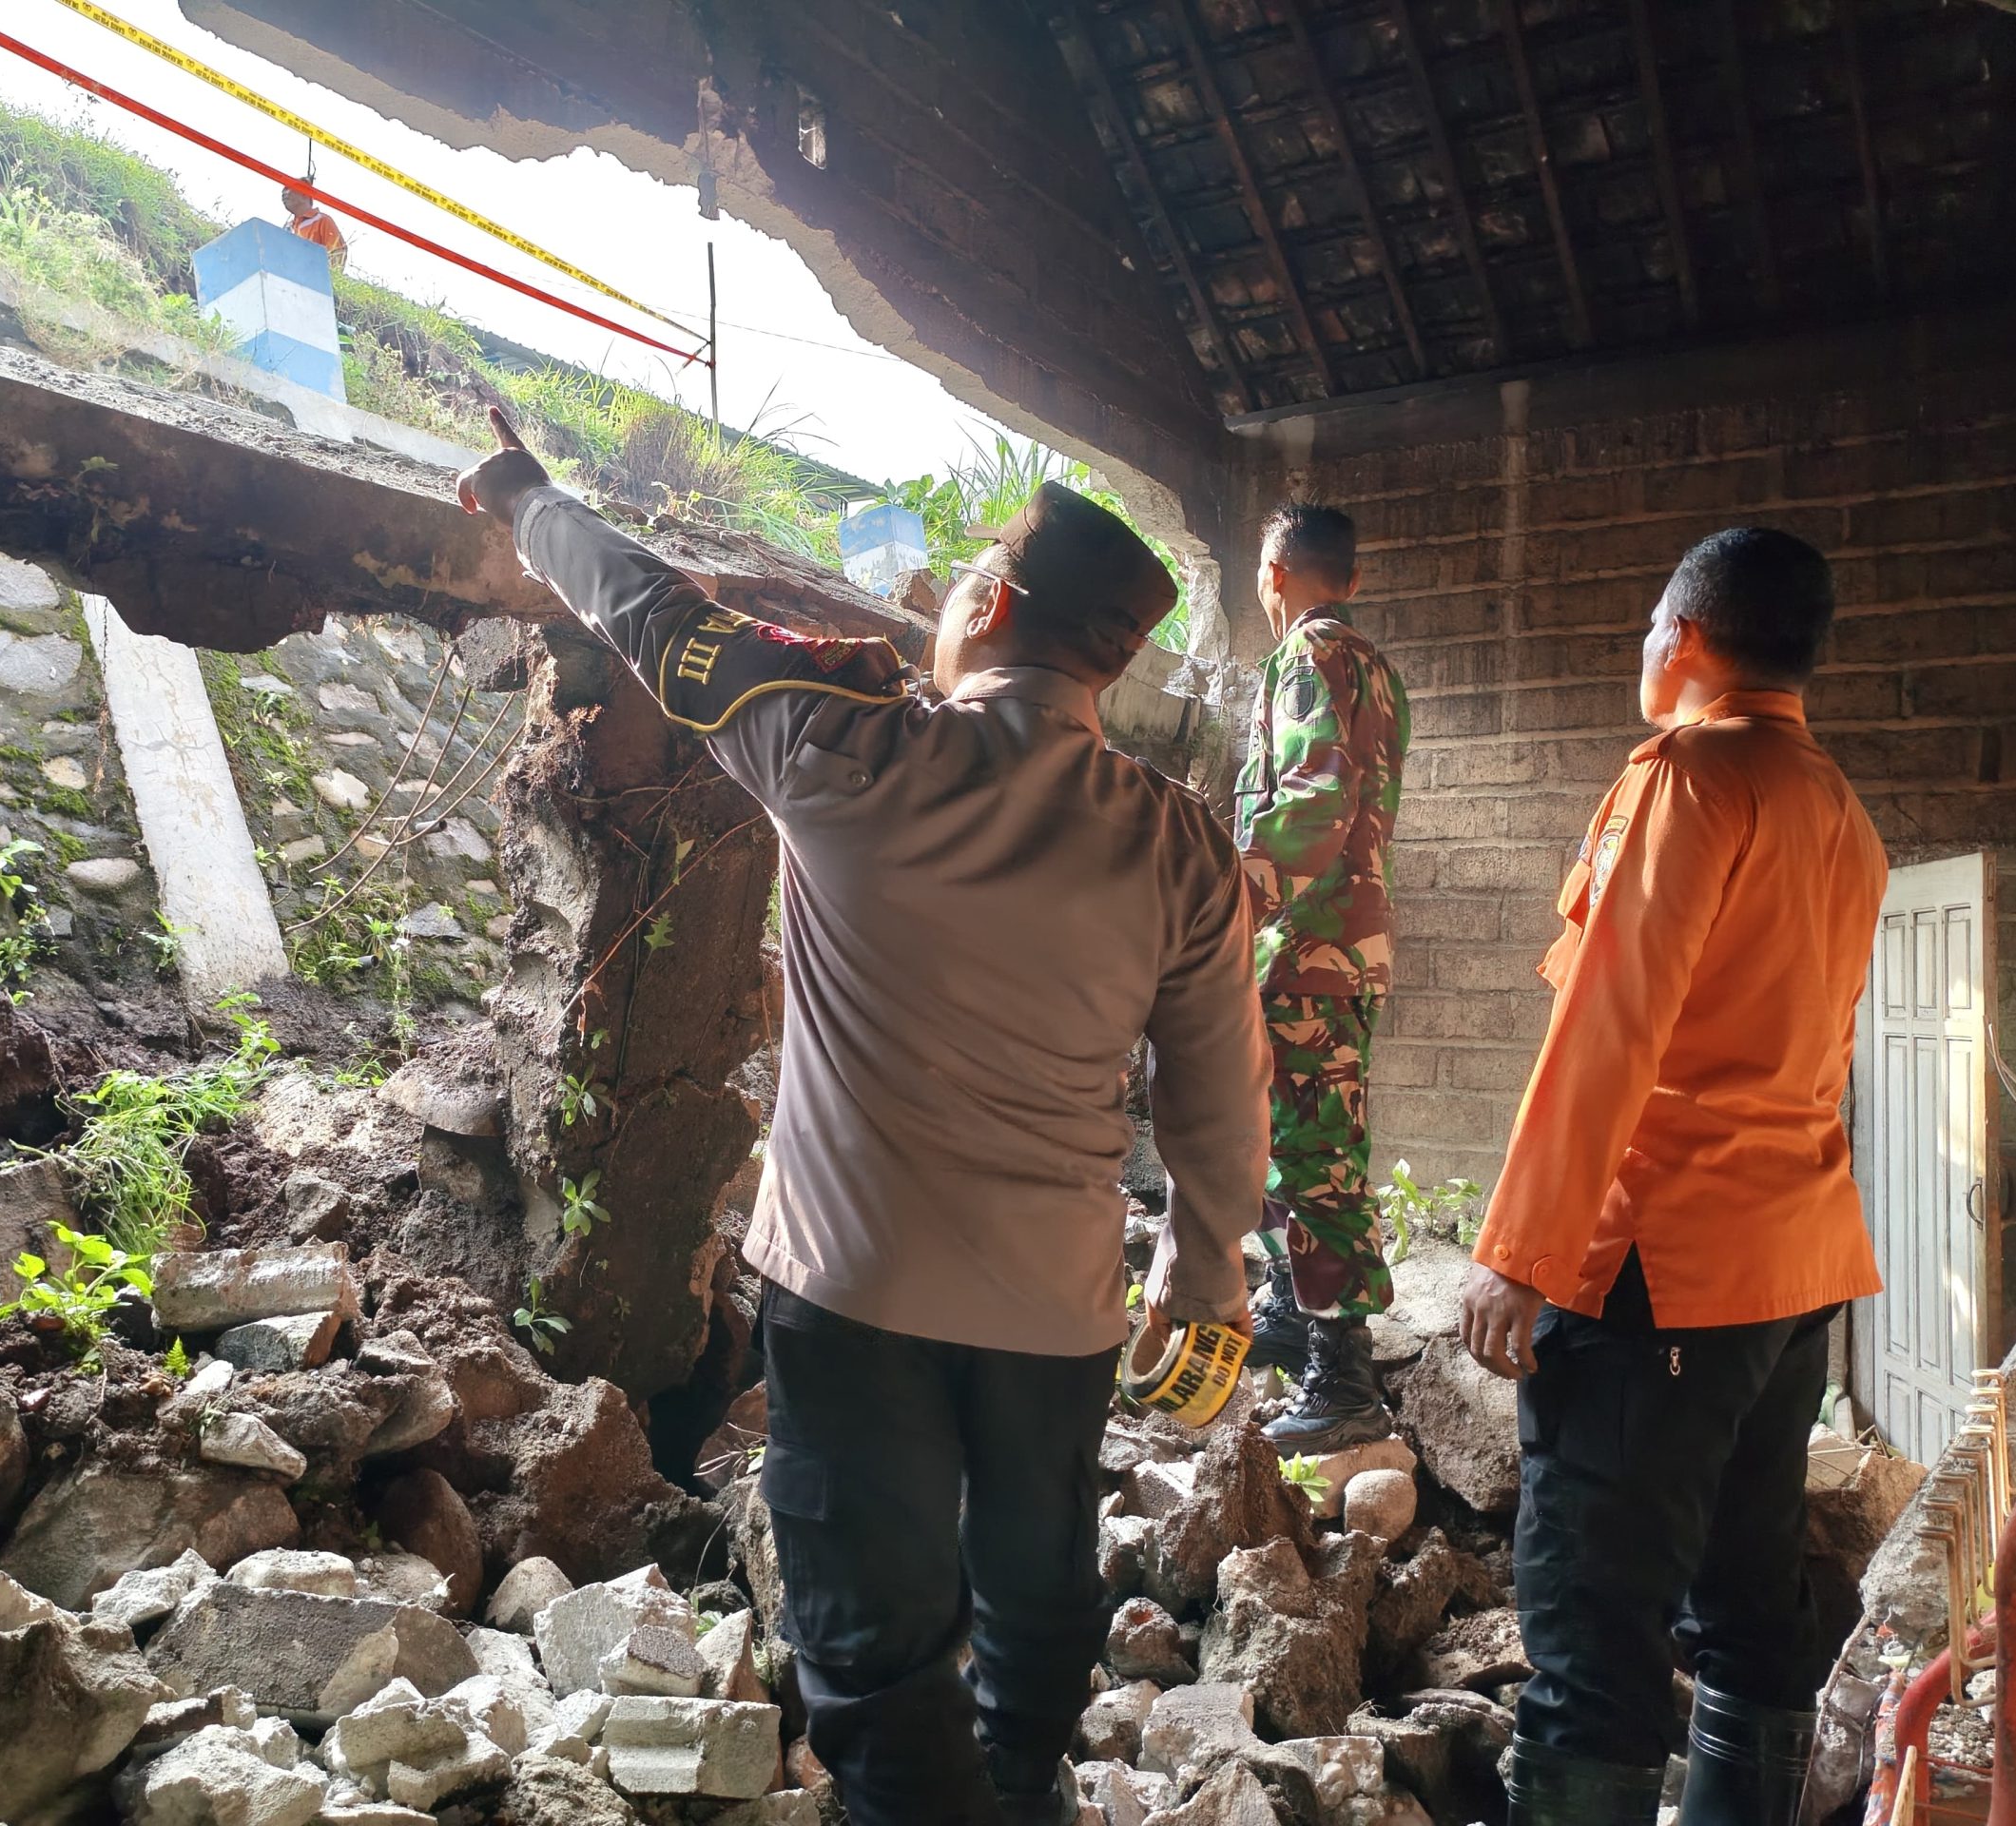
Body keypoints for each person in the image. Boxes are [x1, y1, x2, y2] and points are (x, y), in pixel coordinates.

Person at [457, 410, 1269, 1826]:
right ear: (1116, 655)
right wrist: (1206, 1260)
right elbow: (1216, 1086)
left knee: (874, 1656)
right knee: (1034, 1598)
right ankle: (1024, 1790)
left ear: (989, 606)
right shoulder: (1181, 844)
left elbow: (650, 608)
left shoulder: (839, 748)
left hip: (855, 1293)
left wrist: (526, 495)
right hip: (1061, 1307)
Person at [1459, 529, 1887, 1826]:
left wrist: (1519, 1251)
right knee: (1752, 1610)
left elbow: (1610, 1031)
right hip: (1791, 1272)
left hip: (1665, 1274)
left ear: (1685, 639)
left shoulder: (1691, 775)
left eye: (1652, 627)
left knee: (1594, 1631)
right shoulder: (1838, 810)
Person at [1232, 501, 1411, 1448]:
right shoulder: (1376, 667)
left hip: (1305, 944)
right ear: (1351, 573)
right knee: (1292, 1133)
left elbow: (1309, 806)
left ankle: (1340, 1380)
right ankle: (1290, 1309)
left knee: (1312, 1154)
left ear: (1272, 571)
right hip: (1346, 944)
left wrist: (1227, 900)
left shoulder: (1305, 656)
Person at [281, 185, 347, 270]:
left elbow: (337, 254)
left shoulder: (322, 220)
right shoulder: (288, 228)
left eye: (288, 189)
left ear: (304, 194)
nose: (283, 193)